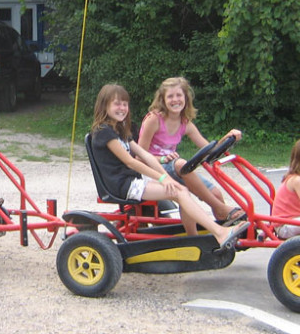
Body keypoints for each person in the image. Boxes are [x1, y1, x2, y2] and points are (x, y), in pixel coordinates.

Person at [91, 84, 248, 248]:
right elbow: (132, 161)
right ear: (104, 105)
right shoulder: (104, 132)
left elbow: (146, 155)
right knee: (181, 192)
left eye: (125, 104)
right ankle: (219, 233)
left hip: (132, 182)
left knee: (182, 191)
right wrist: (162, 178)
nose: (122, 108)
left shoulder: (119, 129)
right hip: (124, 186)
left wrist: (165, 178)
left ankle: (197, 240)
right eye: (117, 104)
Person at [137, 76, 244, 225]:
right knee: (181, 164)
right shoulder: (154, 120)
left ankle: (224, 230)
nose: (175, 100)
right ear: (163, 100)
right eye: (170, 96)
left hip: (172, 169)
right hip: (152, 170)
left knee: (216, 193)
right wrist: (162, 159)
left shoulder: (184, 123)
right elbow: (139, 157)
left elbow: (209, 149)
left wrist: (228, 137)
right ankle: (221, 210)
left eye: (179, 95)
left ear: (186, 98)